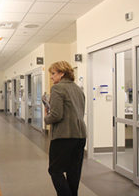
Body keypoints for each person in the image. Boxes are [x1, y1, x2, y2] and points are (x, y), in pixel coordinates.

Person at [44, 61, 87, 196]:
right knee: (73, 171)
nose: (51, 77)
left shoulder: (57, 88)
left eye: (53, 73)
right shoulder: (78, 89)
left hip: (64, 136)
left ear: (62, 73)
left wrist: (46, 116)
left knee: (55, 170)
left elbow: (56, 115)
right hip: (80, 136)